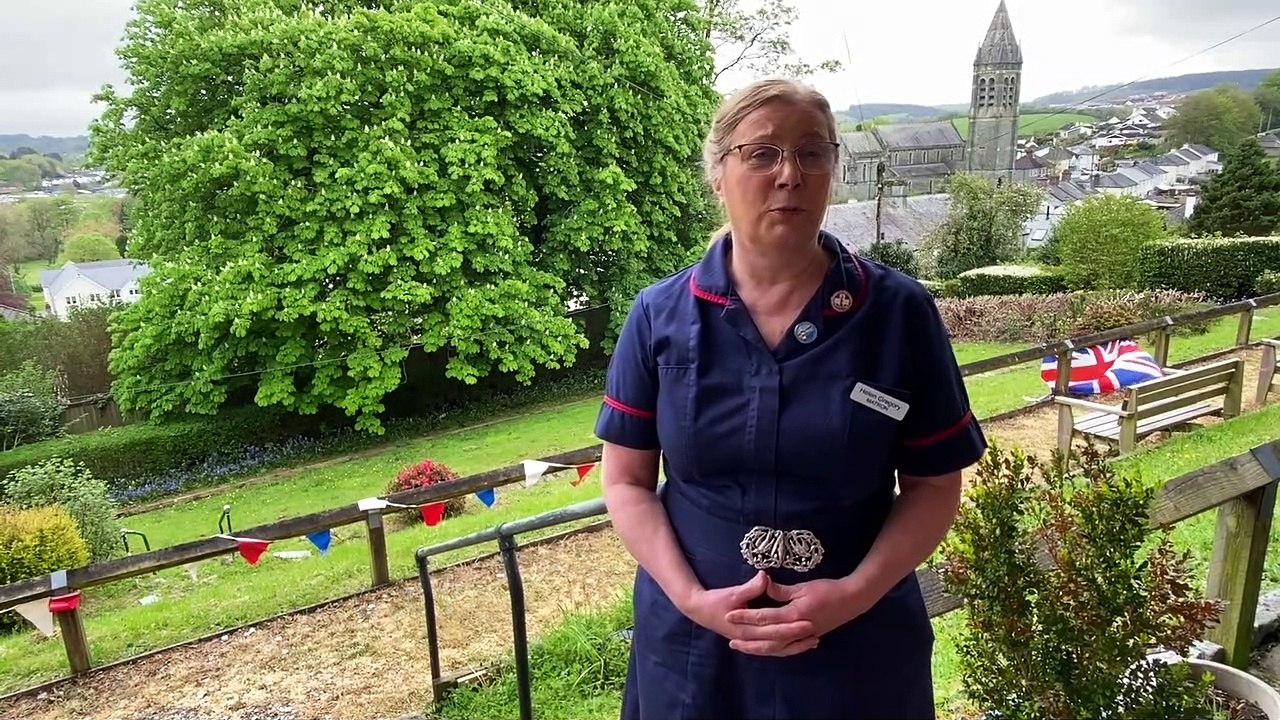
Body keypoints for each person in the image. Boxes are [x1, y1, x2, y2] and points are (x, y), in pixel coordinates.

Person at [592, 77, 988, 720]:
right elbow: (628, 483)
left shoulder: (897, 313)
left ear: (834, 168)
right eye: (761, 153)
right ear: (718, 175)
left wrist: (855, 594)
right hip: (696, 651)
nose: (790, 174)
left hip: (856, 649)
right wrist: (693, 600)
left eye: (812, 152)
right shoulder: (658, 316)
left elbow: (933, 486)